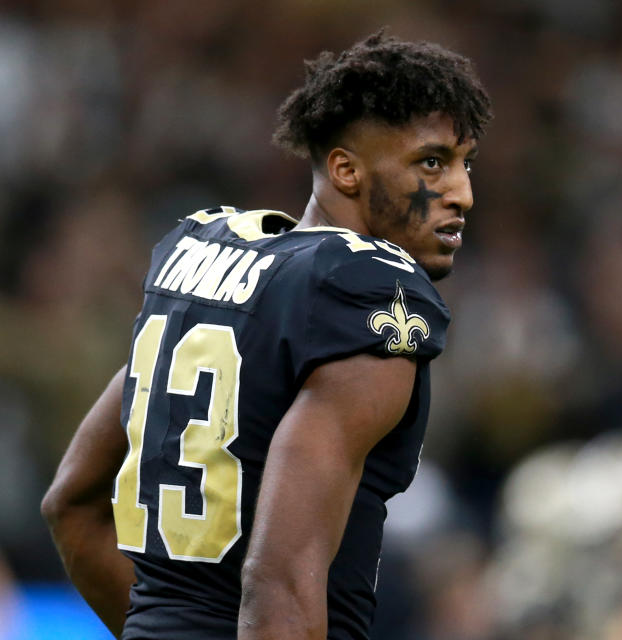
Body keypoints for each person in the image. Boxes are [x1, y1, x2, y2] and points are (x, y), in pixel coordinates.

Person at [40, 31, 492, 640]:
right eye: (431, 162)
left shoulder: (201, 254)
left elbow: (70, 504)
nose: (462, 193)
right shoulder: (367, 287)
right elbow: (277, 586)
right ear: (346, 169)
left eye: (466, 163)